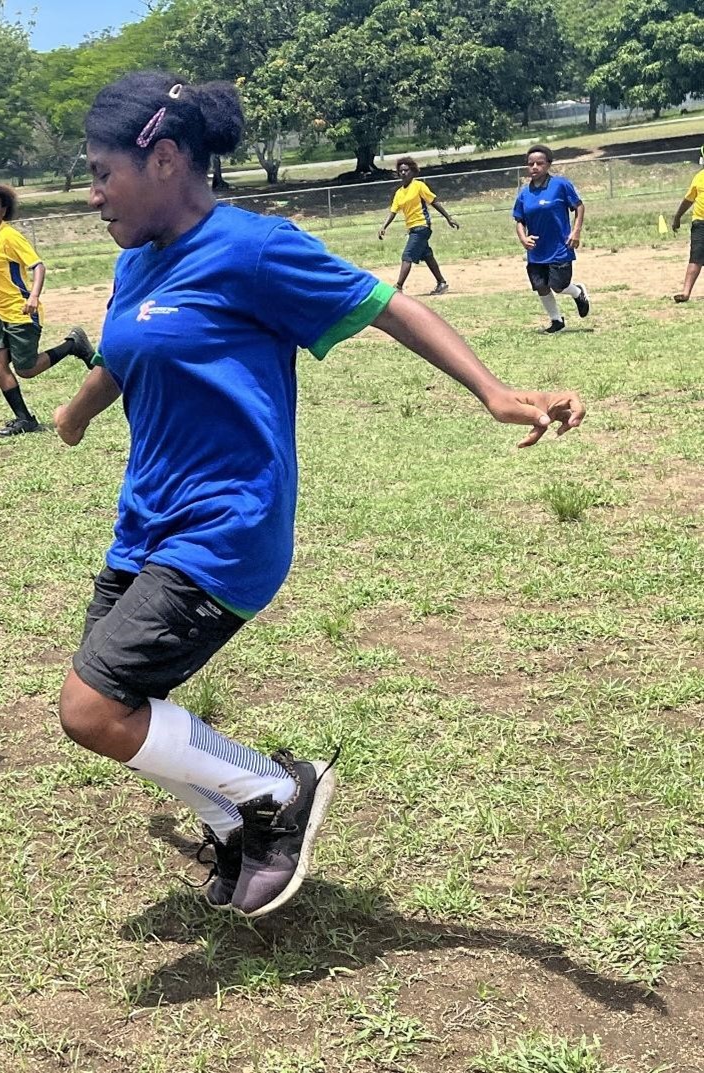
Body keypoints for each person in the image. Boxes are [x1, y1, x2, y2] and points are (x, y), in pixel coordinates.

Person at [53, 71, 584, 919]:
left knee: (90, 707)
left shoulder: (255, 249)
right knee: (124, 705)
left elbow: (388, 308)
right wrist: (75, 414)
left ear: (162, 159)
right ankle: (239, 825)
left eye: (101, 173)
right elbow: (122, 354)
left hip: (226, 527)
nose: (91, 195)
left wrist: (493, 390)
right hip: (144, 525)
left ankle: (277, 790)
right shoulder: (136, 260)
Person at [0, 182, 96, 436]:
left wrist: (35, 296)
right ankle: (24, 419)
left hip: (22, 313)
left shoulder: (10, 236)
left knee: (26, 369)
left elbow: (38, 266)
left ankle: (73, 344)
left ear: (4, 210)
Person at [512, 145, 590, 333]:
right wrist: (523, 238)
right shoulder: (524, 193)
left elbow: (579, 207)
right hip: (537, 249)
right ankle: (556, 321)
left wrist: (576, 231)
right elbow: (519, 219)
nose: (535, 167)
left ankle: (578, 292)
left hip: (560, 246)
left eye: (540, 163)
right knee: (541, 286)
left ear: (548, 165)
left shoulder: (561, 185)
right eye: (531, 164)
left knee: (559, 285)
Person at [377, 157, 459, 294]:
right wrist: (383, 227)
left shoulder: (419, 186)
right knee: (427, 255)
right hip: (412, 228)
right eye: (401, 171)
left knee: (407, 255)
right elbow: (393, 212)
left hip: (422, 226)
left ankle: (398, 287)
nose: (403, 173)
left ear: (413, 171)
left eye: (406, 170)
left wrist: (448, 218)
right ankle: (441, 283)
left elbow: (434, 202)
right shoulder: (399, 193)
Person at [668, 145, 704, 303]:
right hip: (700, 222)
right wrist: (677, 217)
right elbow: (688, 200)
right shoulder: (699, 177)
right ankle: (686, 292)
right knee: (695, 257)